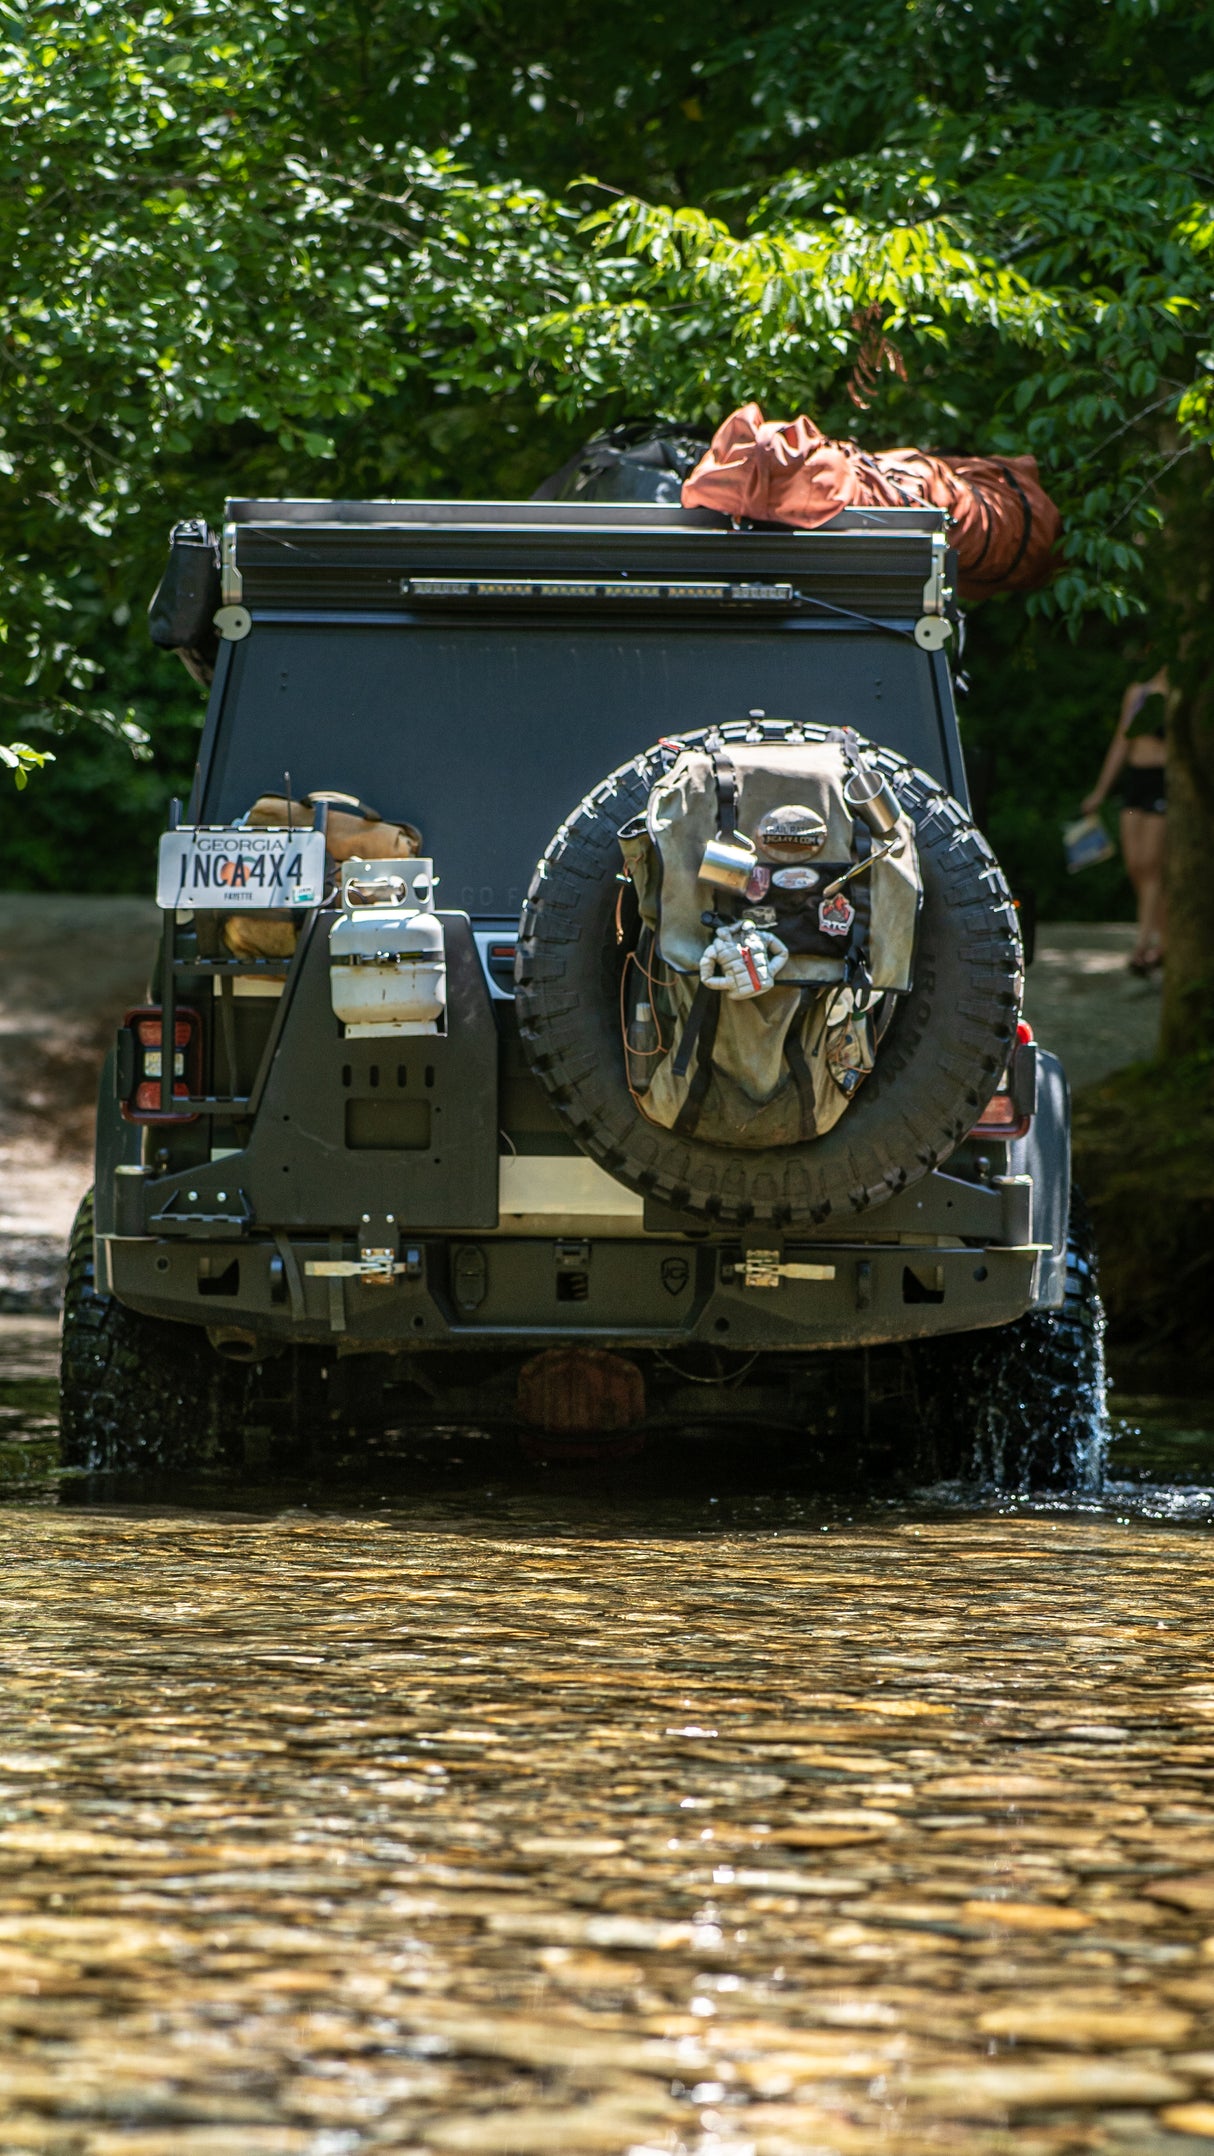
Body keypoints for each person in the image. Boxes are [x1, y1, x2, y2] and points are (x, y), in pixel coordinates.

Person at [1082, 662, 1170, 976]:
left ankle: (1143, 945)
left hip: (1163, 785)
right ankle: (1163, 937)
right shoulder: (1139, 692)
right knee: (1135, 864)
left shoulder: (1181, 696)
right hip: (1135, 785)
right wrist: (1100, 792)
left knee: (1151, 862)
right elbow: (1121, 741)